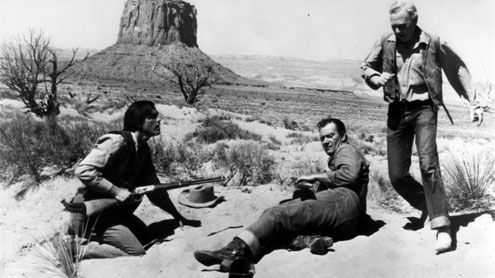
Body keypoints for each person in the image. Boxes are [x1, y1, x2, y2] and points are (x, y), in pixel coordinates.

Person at [360, 1, 483, 254]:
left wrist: (473, 102)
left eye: (402, 26)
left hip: (425, 109)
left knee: (428, 164)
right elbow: (366, 67)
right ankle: (426, 204)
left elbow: (457, 69)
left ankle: (442, 227)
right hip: (397, 110)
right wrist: (375, 78)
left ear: (415, 21)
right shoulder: (386, 41)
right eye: (393, 26)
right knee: (396, 175)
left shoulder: (433, 42)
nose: (397, 31)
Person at [194, 117, 369, 271]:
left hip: (345, 201)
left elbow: (350, 175)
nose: (326, 141)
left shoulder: (346, 150)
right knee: (283, 209)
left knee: (278, 214)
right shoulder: (340, 153)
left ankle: (233, 251)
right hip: (347, 216)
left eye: (330, 136)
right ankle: (309, 240)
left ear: (343, 136)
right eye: (322, 138)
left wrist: (315, 176)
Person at [68, 100, 200, 259]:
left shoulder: (143, 150)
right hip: (94, 214)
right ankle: (78, 249)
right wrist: (115, 191)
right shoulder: (116, 141)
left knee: (146, 237)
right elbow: (83, 170)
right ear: (138, 120)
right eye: (152, 117)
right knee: (136, 251)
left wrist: (178, 216)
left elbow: (154, 190)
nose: (158, 121)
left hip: (116, 213)